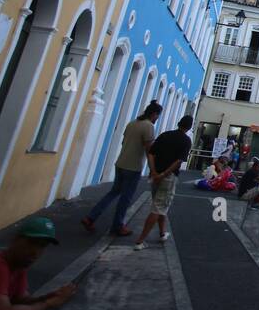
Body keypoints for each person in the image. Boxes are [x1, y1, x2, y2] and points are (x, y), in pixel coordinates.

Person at [82, 101, 162, 236]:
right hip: (133, 166)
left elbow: (124, 141)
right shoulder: (148, 127)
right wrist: (152, 169)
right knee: (126, 198)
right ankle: (118, 225)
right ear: (154, 114)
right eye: (157, 116)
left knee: (113, 192)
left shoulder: (132, 123)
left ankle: (91, 217)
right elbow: (149, 150)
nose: (156, 119)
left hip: (121, 163)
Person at [134, 114, 192, 250]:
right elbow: (178, 161)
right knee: (158, 207)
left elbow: (151, 153)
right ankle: (140, 240)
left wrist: (153, 171)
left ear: (178, 123)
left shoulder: (164, 135)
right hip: (168, 177)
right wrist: (164, 174)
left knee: (160, 205)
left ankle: (161, 233)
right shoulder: (186, 141)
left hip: (156, 175)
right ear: (189, 127)